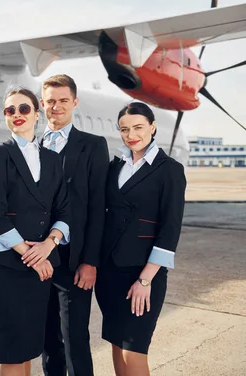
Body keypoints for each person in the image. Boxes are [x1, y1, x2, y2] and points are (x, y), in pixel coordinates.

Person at [0, 86, 71, 376]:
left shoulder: (53, 159)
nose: (17, 115)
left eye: (23, 109)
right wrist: (33, 255)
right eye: (10, 110)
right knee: (12, 350)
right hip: (8, 266)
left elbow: (64, 211)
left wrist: (49, 245)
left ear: (37, 113)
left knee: (30, 347)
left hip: (41, 269)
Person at [95, 102, 186, 376]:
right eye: (124, 129)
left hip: (144, 273)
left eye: (138, 127)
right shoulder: (115, 166)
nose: (131, 135)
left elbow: (170, 229)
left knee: (133, 351)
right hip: (110, 272)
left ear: (152, 127)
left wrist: (145, 280)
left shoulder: (169, 169)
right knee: (116, 343)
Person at [40, 74, 109, 376]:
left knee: (75, 339)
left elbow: (97, 208)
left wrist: (90, 261)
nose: (56, 107)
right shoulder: (31, 145)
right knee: (47, 340)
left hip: (73, 260)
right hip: (36, 258)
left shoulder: (92, 146)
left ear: (75, 102)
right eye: (50, 101)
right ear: (43, 104)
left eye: (63, 100)